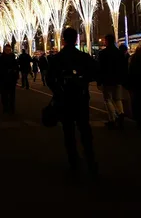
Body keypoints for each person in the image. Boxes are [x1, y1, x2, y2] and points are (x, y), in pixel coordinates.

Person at [48, 28, 98, 176]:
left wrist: (59, 91)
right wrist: (82, 80)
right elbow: (95, 73)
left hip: (65, 100)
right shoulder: (84, 57)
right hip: (81, 98)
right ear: (76, 39)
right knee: (85, 129)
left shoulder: (57, 58)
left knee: (68, 131)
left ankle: (74, 161)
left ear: (63, 39)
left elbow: (50, 79)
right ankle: (90, 159)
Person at [97, 34, 127, 129]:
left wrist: (99, 80)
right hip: (118, 79)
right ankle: (121, 113)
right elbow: (123, 67)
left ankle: (113, 118)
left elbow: (100, 68)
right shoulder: (119, 53)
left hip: (107, 79)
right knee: (117, 98)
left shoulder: (103, 53)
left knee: (107, 99)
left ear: (107, 41)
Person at [0, 44, 19, 114]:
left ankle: (11, 108)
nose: (8, 51)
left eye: (9, 50)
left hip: (11, 79)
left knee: (12, 95)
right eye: (7, 50)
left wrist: (16, 76)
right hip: (3, 79)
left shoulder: (13, 58)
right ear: (4, 50)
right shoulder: (0, 58)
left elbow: (16, 68)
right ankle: (6, 107)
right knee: (4, 94)